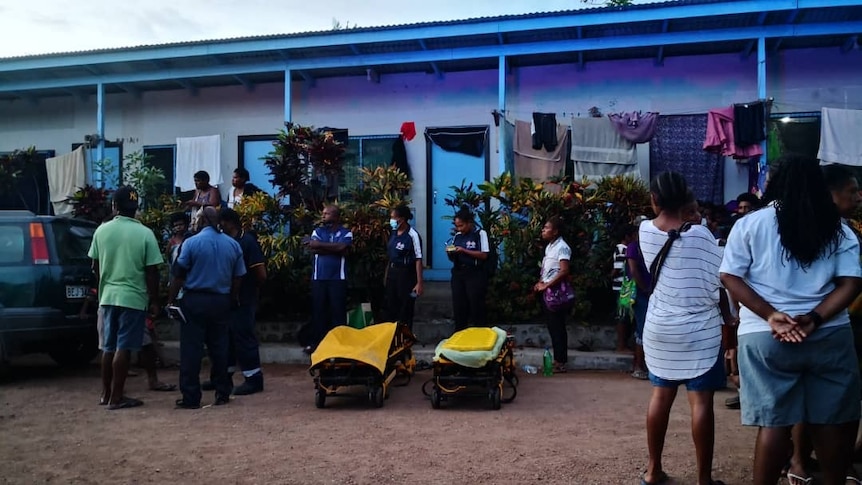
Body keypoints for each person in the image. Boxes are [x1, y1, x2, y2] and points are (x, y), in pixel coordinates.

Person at [720, 155, 862, 485]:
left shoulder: (750, 224)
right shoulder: (839, 229)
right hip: (828, 335)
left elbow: (729, 275)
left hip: (764, 337)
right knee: (829, 422)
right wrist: (813, 319)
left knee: (774, 424)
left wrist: (771, 315)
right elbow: (852, 283)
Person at [639, 172, 731, 485]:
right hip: (699, 332)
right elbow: (717, 280)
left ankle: (653, 471)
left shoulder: (643, 231)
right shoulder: (702, 236)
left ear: (655, 200)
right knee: (701, 404)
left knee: (660, 399)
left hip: (661, 328)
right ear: (688, 201)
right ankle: (704, 479)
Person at [783, 163, 862, 485]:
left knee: (845, 400)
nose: (858, 196)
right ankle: (800, 462)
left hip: (844, 324)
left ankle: (839, 462)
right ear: (830, 195)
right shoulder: (814, 230)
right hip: (823, 324)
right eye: (852, 191)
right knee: (813, 398)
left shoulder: (849, 230)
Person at [87, 186, 163, 410]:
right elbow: (152, 271)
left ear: (114, 206)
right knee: (124, 347)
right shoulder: (145, 233)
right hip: (132, 297)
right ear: (136, 208)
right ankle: (118, 398)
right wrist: (155, 300)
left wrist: (105, 284)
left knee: (108, 347)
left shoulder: (101, 231)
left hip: (108, 296)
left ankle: (106, 394)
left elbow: (95, 265)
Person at [168, 207, 246, 409]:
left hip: (195, 301)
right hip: (220, 301)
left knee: (191, 350)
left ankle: (191, 397)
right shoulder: (233, 245)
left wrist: (170, 300)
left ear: (201, 221)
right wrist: (232, 298)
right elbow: (238, 276)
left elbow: (179, 275)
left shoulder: (191, 243)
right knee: (219, 348)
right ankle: (222, 393)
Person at [219, 208, 267, 395]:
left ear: (229, 222)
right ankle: (224, 376)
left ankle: (253, 378)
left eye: (221, 222)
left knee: (244, 337)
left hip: (244, 299)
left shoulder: (247, 241)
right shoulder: (229, 241)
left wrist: (252, 291)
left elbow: (261, 273)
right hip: (229, 298)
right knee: (228, 338)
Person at [303, 204, 353, 354]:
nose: (323, 216)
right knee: (319, 311)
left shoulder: (346, 232)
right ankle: (316, 343)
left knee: (338, 311)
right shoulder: (317, 231)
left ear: (336, 216)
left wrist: (320, 245)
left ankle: (340, 344)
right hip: (319, 278)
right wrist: (332, 248)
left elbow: (343, 248)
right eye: (323, 213)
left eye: (327, 214)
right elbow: (313, 249)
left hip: (338, 278)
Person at [533, 216, 572, 373]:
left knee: (557, 327)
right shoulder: (550, 247)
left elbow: (564, 270)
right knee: (553, 326)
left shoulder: (562, 247)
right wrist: (540, 283)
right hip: (548, 291)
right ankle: (557, 360)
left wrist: (547, 285)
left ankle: (560, 361)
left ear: (555, 231)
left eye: (547, 227)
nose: (543, 230)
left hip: (556, 293)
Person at [447, 206, 490, 331]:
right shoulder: (458, 236)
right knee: (459, 304)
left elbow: (484, 254)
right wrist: (451, 253)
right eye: (457, 226)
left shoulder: (480, 233)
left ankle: (480, 332)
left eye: (461, 225)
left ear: (469, 223)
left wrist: (464, 251)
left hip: (474, 273)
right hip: (459, 272)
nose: (459, 229)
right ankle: (460, 332)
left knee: (476, 303)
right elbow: (454, 257)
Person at [384, 205, 424, 329]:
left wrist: (419, 282)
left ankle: (405, 339)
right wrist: (386, 275)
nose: (391, 220)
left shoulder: (412, 235)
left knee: (405, 307)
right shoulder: (394, 233)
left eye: (393, 218)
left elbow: (418, 259)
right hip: (392, 272)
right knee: (391, 306)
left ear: (401, 219)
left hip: (406, 274)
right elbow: (390, 255)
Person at [626, 217, 651, 380]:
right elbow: (634, 271)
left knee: (645, 330)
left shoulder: (648, 246)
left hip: (650, 291)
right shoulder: (634, 247)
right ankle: (638, 365)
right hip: (642, 293)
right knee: (642, 330)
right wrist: (645, 289)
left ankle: (643, 365)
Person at [612, 225, 634, 353]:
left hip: (622, 287)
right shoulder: (623, 250)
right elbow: (617, 268)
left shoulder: (621, 249)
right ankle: (621, 346)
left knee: (624, 316)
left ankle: (623, 344)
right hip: (622, 287)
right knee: (622, 316)